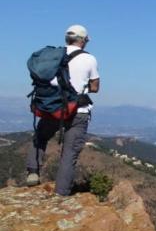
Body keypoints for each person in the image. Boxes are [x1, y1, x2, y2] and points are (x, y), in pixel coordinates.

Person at [25, 25, 100, 195]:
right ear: (83, 40)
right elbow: (95, 87)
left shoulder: (53, 56)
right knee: (69, 154)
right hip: (77, 111)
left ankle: (33, 172)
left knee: (40, 137)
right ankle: (61, 194)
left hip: (53, 108)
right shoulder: (89, 59)